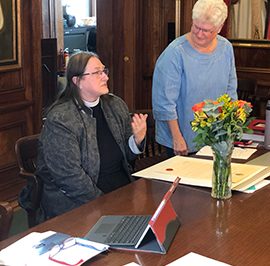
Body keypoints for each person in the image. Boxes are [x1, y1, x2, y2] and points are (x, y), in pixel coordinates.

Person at [35, 51, 148, 221]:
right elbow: (70, 177)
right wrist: (105, 203)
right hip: (78, 202)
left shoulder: (115, 105)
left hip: (121, 188)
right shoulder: (61, 118)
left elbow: (127, 157)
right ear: (77, 80)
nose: (105, 77)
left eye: (104, 71)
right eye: (97, 73)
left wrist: (136, 141)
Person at [152, 0, 238, 157]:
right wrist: (176, 138)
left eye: (206, 30)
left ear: (219, 28)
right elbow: (164, 103)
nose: (199, 34)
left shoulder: (226, 48)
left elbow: (230, 92)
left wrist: (229, 131)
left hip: (216, 137)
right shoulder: (175, 53)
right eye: (196, 27)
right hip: (182, 139)